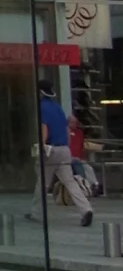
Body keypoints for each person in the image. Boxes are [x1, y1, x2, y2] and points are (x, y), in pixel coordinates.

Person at [34, 84, 94, 224]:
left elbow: (44, 127)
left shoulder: (42, 107)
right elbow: (67, 130)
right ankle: (86, 209)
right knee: (70, 182)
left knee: (42, 183)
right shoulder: (58, 108)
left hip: (51, 149)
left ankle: (36, 212)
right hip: (64, 149)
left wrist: (42, 146)